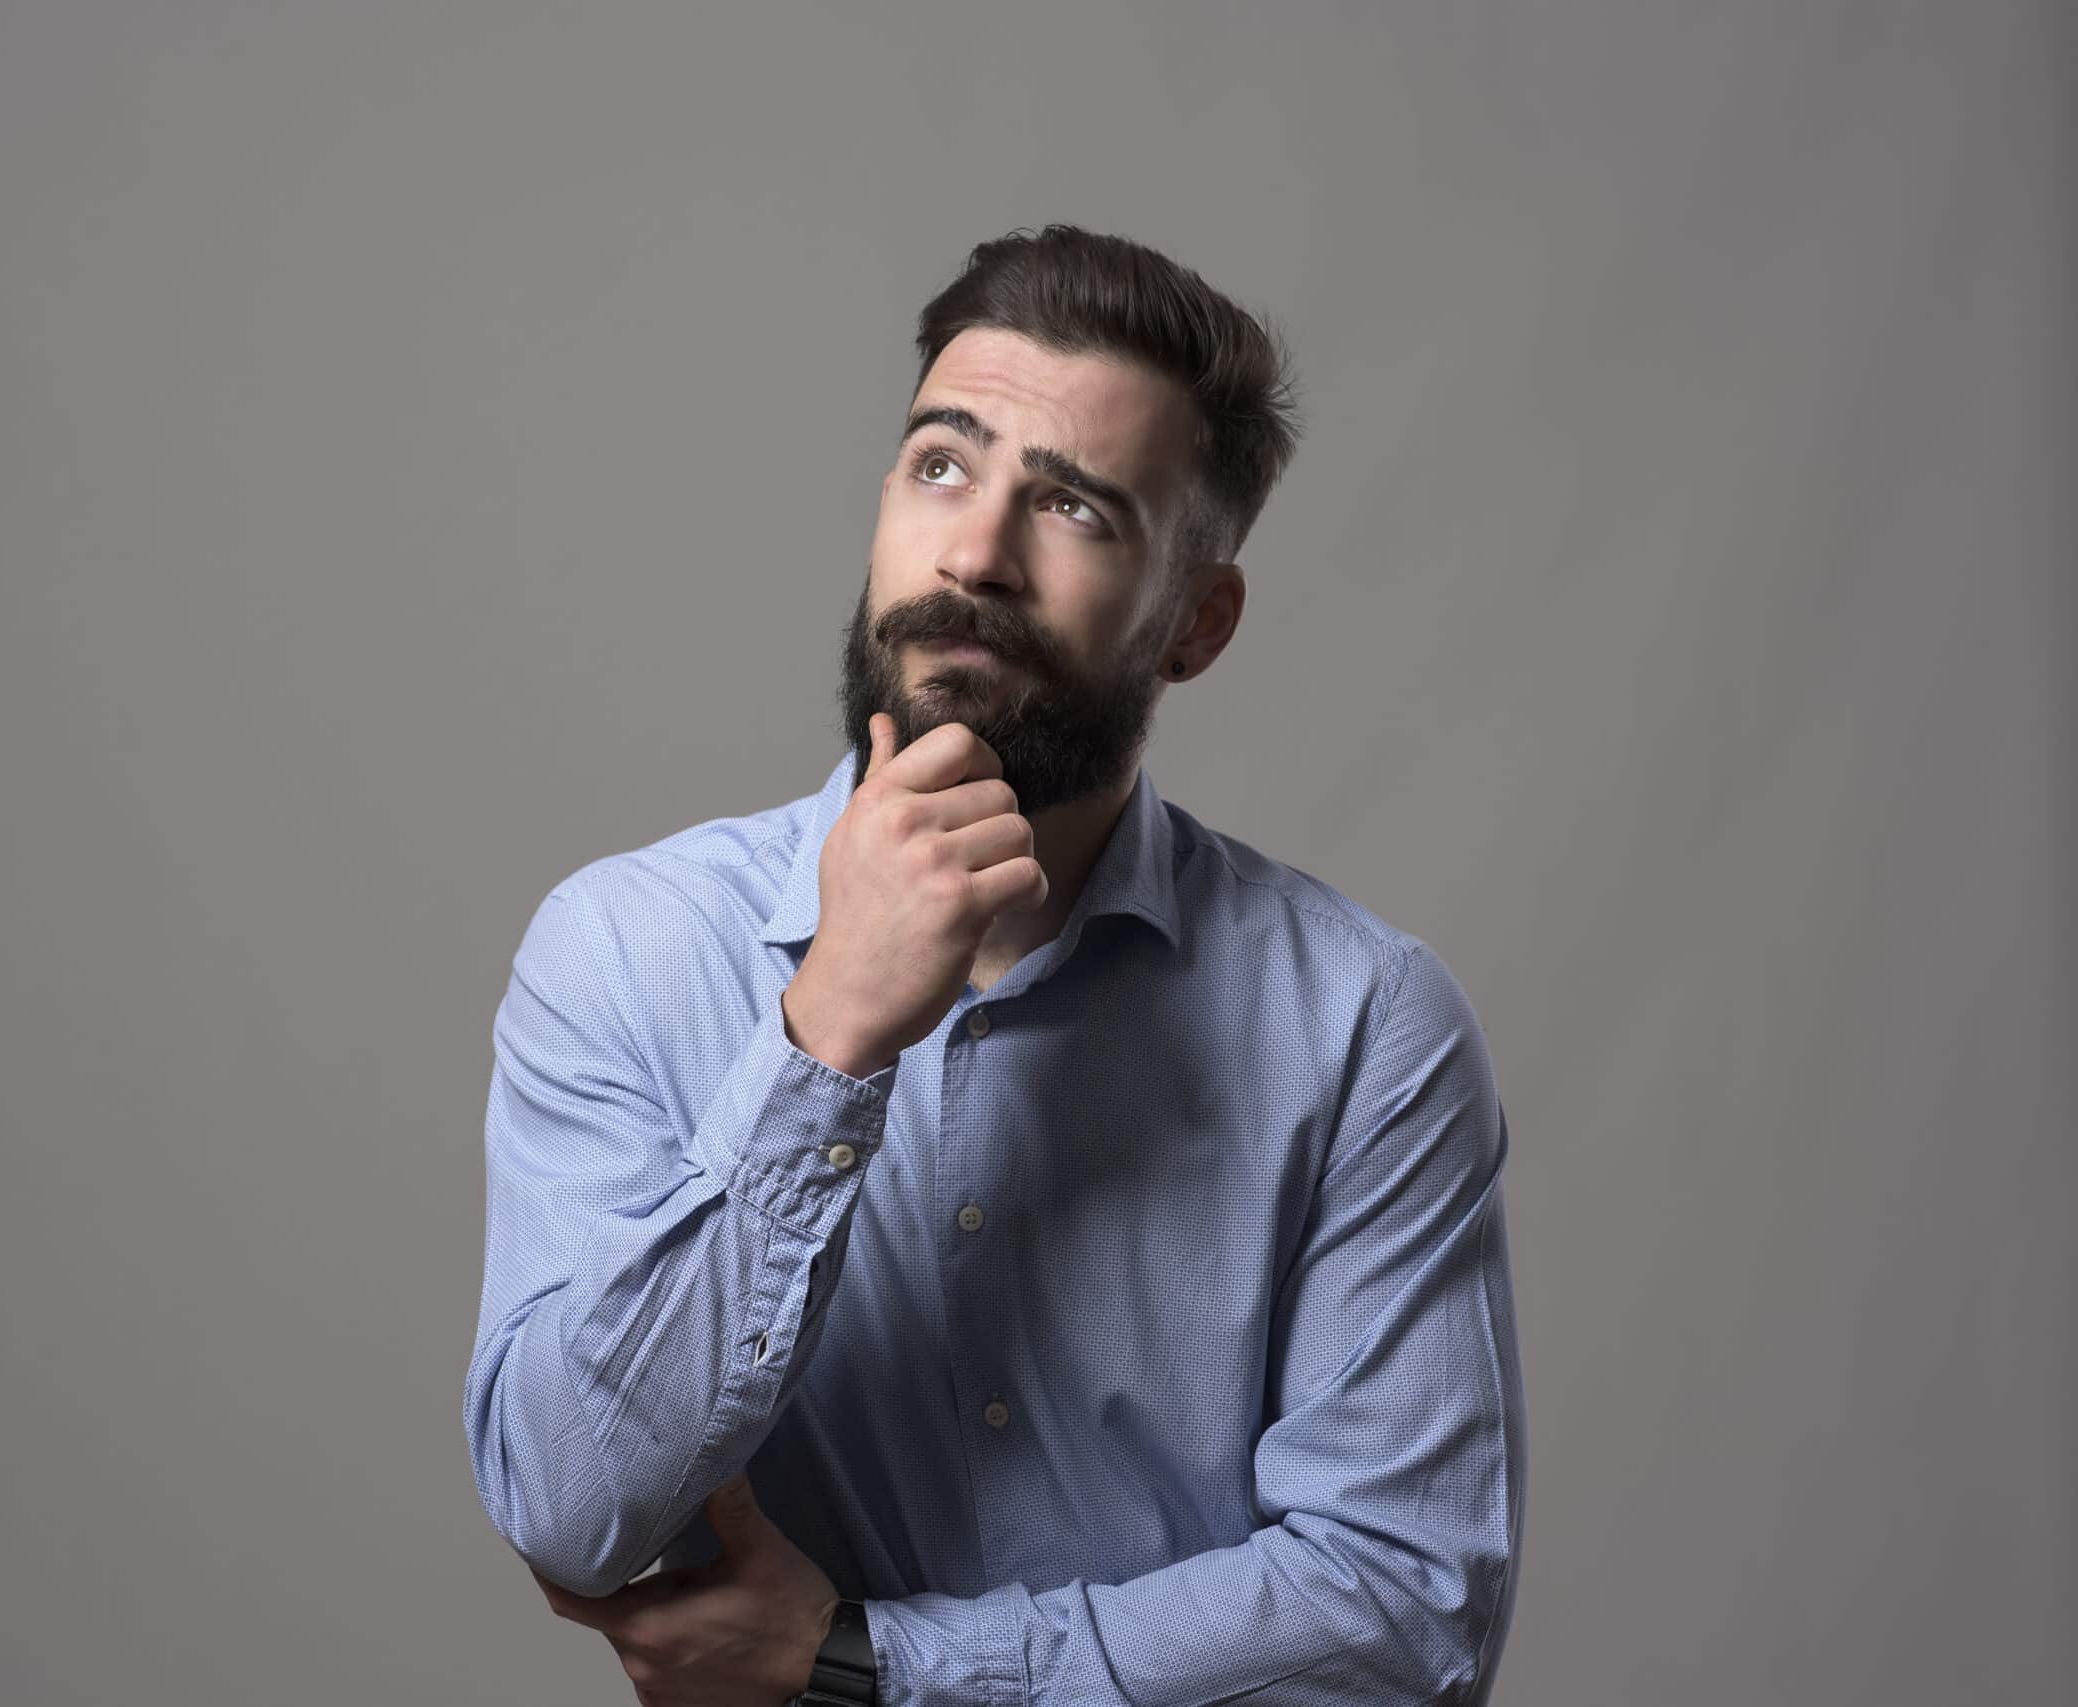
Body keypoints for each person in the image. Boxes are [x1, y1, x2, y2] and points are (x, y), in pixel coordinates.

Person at [463, 224, 1525, 1706]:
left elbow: (1406, 1618)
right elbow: (569, 1505)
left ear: (1197, 625)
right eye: (941, 466)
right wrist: (826, 1033)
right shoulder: (628, 952)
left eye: (1076, 508)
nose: (974, 555)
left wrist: (868, 1670)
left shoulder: (1361, 1027)